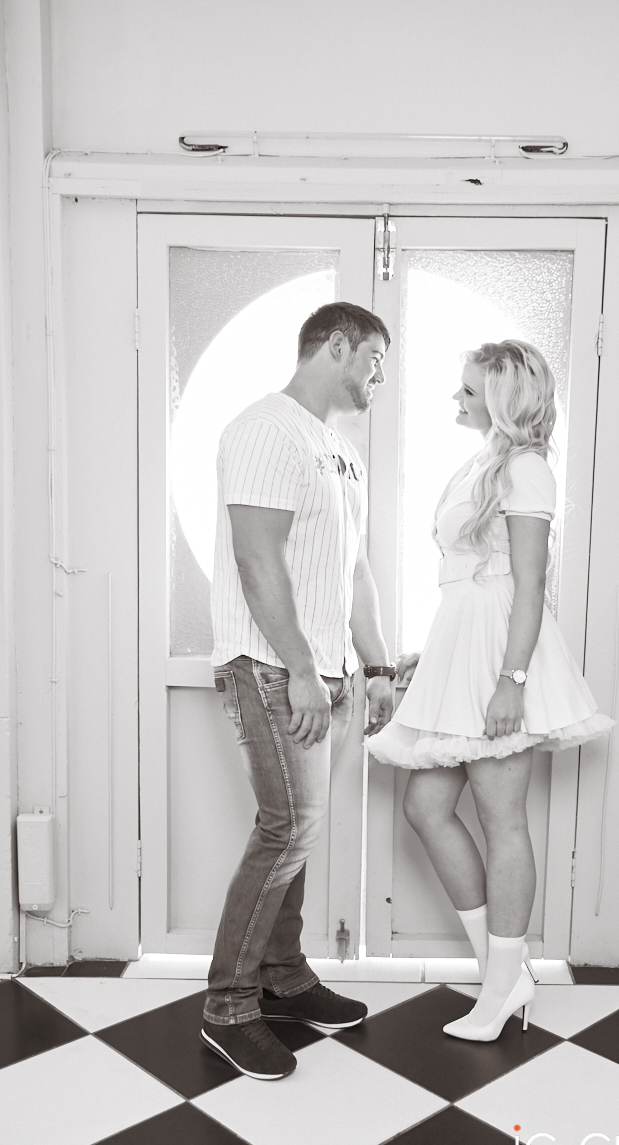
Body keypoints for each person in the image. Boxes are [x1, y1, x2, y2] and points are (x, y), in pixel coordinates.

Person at [367, 339, 613, 1042]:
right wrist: (436, 655)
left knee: (502, 819)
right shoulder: (484, 462)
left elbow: (529, 585)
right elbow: (471, 578)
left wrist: (512, 682)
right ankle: (504, 972)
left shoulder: (527, 468)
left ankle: (503, 983)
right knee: (426, 806)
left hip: (503, 657)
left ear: (504, 401)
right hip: (465, 645)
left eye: (470, 390)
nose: (457, 398)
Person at [201, 301, 397, 1081]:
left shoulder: (339, 451)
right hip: (274, 667)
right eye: (375, 360)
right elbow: (257, 560)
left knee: (299, 831)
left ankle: (283, 976)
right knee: (288, 828)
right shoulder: (265, 430)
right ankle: (229, 1006)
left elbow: (354, 570)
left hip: (329, 674)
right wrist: (304, 670)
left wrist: (376, 669)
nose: (380, 377)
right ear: (338, 346)